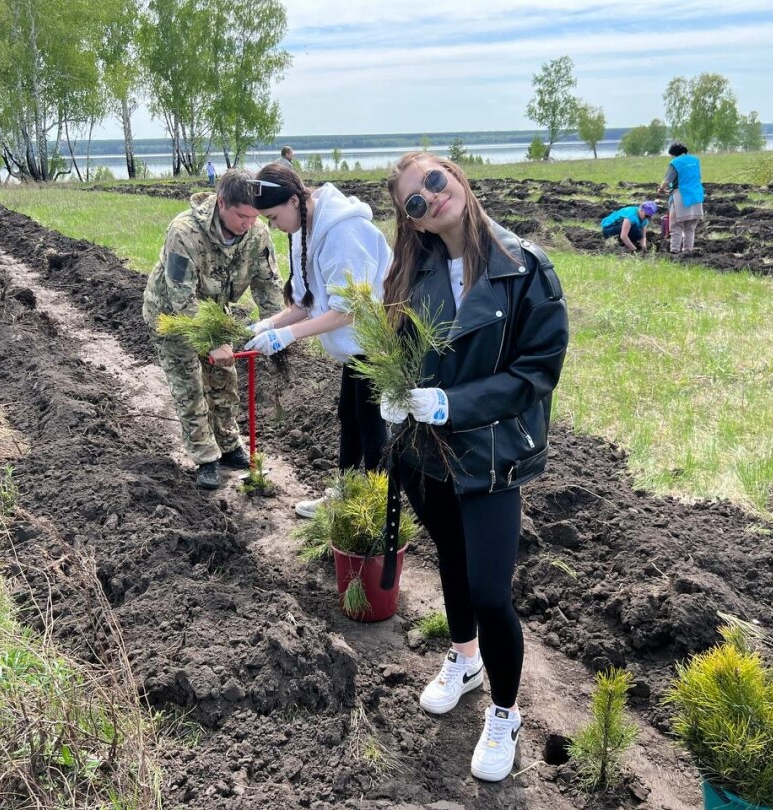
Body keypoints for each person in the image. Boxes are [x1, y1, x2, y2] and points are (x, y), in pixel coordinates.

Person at [378, 153, 568, 782]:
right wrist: (394, 394)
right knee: (452, 567)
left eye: (435, 181)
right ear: (414, 223)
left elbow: (536, 372)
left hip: (491, 456)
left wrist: (452, 404)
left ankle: (506, 712)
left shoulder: (524, 268)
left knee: (490, 590)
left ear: (457, 178)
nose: (430, 198)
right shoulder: (414, 272)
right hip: (424, 454)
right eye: (414, 201)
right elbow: (399, 352)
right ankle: (463, 661)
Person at [243, 164, 391, 517]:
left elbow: (350, 309)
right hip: (355, 349)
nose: (272, 226)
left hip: (377, 342)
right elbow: (307, 301)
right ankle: (345, 494)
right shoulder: (303, 228)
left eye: (273, 216)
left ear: (295, 200)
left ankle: (377, 507)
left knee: (371, 425)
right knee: (349, 416)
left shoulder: (343, 232)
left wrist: (286, 336)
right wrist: (269, 324)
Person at [142, 169, 285, 489]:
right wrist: (209, 344)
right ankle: (205, 457)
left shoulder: (257, 234)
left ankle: (228, 443)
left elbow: (268, 286)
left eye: (253, 216)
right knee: (190, 386)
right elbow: (181, 297)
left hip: (214, 312)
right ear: (221, 203)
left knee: (224, 379)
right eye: (241, 216)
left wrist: (276, 330)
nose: (248, 223)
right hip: (172, 317)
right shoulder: (184, 232)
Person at [657, 143, 704, 253]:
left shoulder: (676, 162)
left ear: (674, 154)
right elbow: (699, 176)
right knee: (690, 228)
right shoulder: (695, 160)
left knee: (676, 227)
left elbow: (667, 180)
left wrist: (660, 189)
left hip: (681, 196)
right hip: (696, 196)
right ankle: (688, 251)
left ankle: (674, 251)